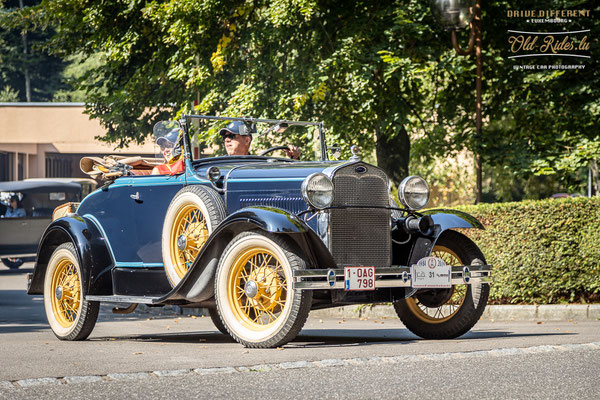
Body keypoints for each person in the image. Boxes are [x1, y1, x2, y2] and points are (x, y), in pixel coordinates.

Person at [219, 121, 301, 159]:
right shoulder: (220, 165)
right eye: (224, 137)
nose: (227, 140)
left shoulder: (258, 164)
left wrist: (294, 157)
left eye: (232, 136)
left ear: (247, 140)